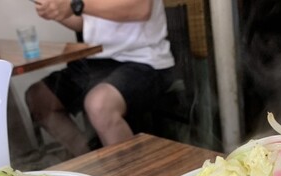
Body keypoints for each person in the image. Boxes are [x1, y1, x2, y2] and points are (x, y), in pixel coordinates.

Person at [25, 0, 175, 158]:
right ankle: (92, 162)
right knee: (39, 97)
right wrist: (56, 11)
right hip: (97, 58)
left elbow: (141, 9)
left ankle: (133, 171)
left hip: (144, 59)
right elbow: (83, 23)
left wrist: (74, 5)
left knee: (99, 105)